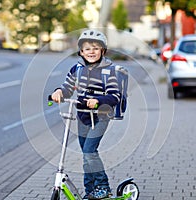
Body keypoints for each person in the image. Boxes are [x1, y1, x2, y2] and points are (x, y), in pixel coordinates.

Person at [51, 29, 120, 199]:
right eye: (87, 49)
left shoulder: (109, 70)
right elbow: (67, 88)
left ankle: (103, 187)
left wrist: (97, 100)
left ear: (103, 51)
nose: (91, 52)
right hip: (82, 116)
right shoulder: (77, 69)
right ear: (81, 51)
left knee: (90, 151)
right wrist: (59, 92)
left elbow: (115, 95)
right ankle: (90, 190)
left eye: (96, 48)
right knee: (86, 155)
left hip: (101, 116)